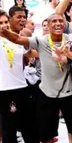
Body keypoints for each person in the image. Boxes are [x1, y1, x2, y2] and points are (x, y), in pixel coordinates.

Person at [0, 12, 72, 143]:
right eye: (53, 21)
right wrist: (5, 31)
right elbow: (17, 39)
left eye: (60, 21)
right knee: (44, 134)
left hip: (68, 92)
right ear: (48, 26)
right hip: (45, 94)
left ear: (64, 24)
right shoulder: (41, 40)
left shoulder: (71, 38)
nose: (57, 24)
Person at [0, 8, 38, 143]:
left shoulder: (16, 40)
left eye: (5, 22)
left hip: (22, 87)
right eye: (0, 23)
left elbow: (31, 53)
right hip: (4, 90)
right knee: (8, 130)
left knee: (29, 128)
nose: (3, 25)